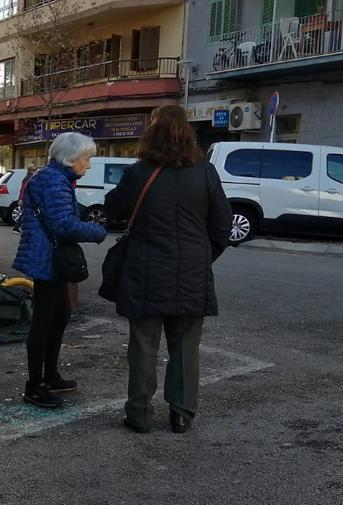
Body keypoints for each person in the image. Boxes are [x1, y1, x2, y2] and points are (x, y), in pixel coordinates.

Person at [104, 104, 232, 434]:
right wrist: (203, 257)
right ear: (187, 132)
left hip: (145, 272)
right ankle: (181, 413)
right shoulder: (206, 172)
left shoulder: (138, 172)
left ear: (151, 133)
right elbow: (222, 226)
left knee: (143, 347)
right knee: (186, 348)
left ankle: (139, 414)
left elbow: (114, 211)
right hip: (191, 273)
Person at [13, 133, 108, 409]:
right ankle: (35, 385)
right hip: (47, 260)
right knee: (44, 322)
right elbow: (64, 224)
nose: (88, 165)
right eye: (86, 159)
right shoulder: (54, 181)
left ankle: (50, 376)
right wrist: (98, 231)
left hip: (48, 257)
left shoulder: (54, 178)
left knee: (59, 316)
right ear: (70, 158)